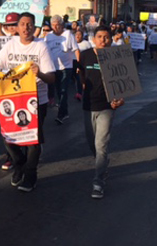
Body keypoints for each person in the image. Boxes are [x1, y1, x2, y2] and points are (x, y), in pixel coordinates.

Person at [0, 12, 56, 192]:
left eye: (29, 25)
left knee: (33, 140)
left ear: (34, 27)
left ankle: (30, 174)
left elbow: (51, 78)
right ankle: (19, 163)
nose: (26, 28)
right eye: (22, 24)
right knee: (8, 135)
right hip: (12, 99)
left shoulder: (41, 47)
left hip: (36, 100)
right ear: (17, 27)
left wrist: (39, 74)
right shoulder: (10, 44)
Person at [79, 25, 125, 199]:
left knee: (101, 145)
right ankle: (103, 165)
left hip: (107, 107)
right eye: (99, 37)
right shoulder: (86, 55)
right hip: (88, 105)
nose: (103, 40)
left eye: (106, 37)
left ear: (112, 39)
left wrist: (121, 99)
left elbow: (124, 82)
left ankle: (98, 182)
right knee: (93, 145)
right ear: (94, 39)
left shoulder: (116, 57)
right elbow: (81, 74)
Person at [45, 15, 79, 124]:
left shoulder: (68, 34)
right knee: (59, 91)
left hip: (66, 68)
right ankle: (65, 112)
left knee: (63, 90)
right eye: (53, 25)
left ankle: (61, 114)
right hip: (54, 68)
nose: (55, 27)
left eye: (57, 25)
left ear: (62, 25)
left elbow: (76, 50)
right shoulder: (48, 36)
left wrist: (79, 66)